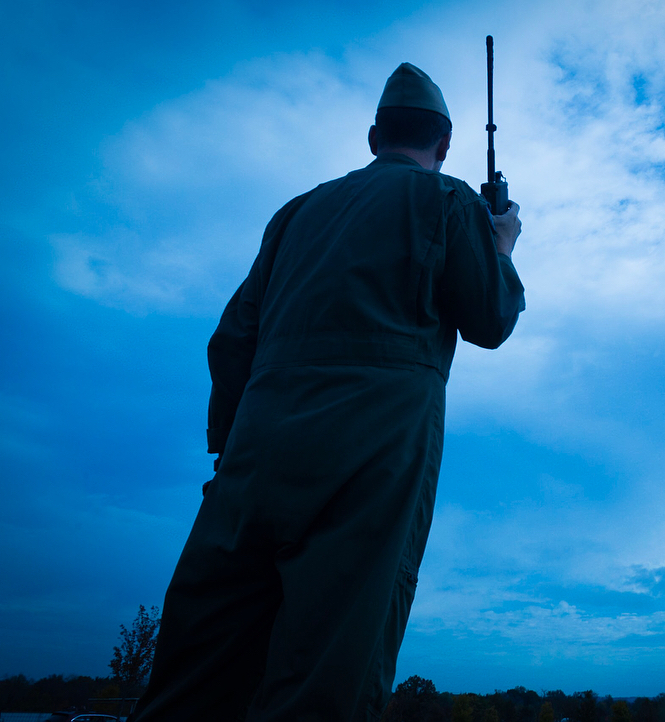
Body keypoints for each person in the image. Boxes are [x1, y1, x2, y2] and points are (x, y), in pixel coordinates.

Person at [128, 63, 525, 722]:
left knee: (190, 687)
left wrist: (231, 456)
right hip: (369, 473)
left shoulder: (295, 214)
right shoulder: (451, 201)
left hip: (250, 468)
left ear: (374, 136)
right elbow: (490, 318)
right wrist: (502, 246)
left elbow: (231, 342)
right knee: (326, 688)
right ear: (447, 146)